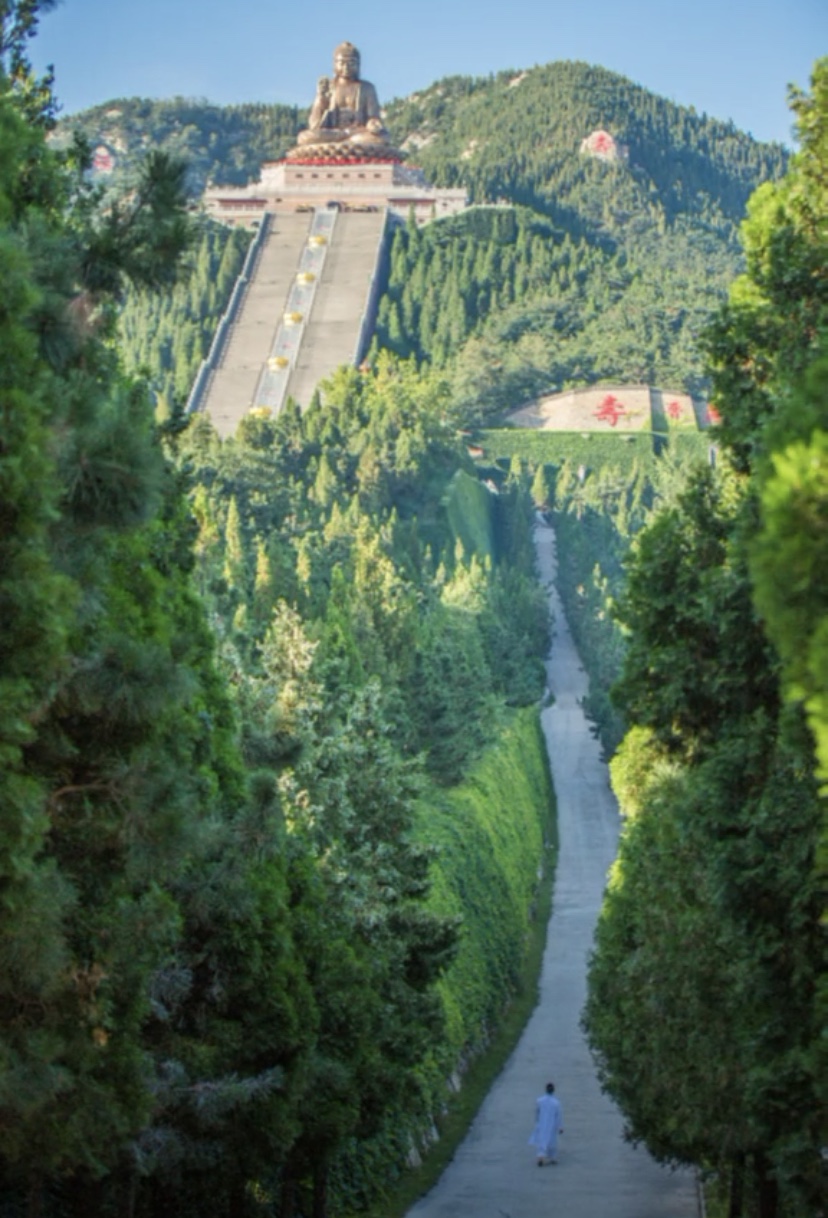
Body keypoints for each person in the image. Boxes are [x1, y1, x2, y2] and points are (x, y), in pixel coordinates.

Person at [296, 42, 391, 151]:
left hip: (358, 133)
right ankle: (347, 144)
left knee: (383, 137)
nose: (346, 67)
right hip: (333, 134)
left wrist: (373, 124)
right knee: (304, 137)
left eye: (351, 63)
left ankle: (343, 144)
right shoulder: (329, 86)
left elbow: (373, 117)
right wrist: (320, 98)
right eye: (342, 63)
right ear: (335, 64)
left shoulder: (367, 88)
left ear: (358, 65)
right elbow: (314, 125)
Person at [529, 1082, 563, 1166]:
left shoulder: (539, 1100)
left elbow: (537, 1112)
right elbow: (558, 1116)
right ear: (553, 1090)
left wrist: (537, 1122)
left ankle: (540, 1157)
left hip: (542, 1123)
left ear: (546, 1089)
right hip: (552, 1125)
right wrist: (560, 1127)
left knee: (542, 1141)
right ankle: (552, 1158)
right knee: (552, 1141)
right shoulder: (556, 1103)